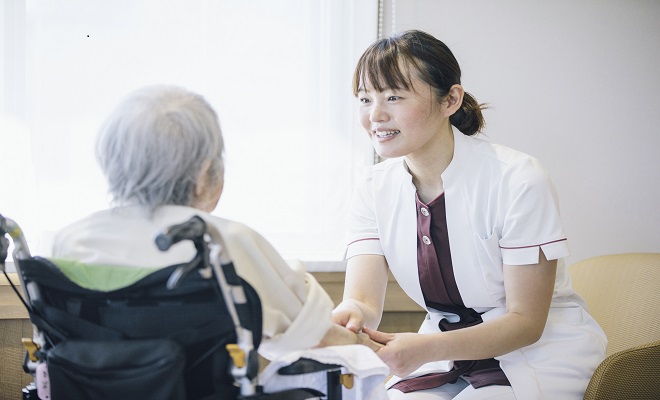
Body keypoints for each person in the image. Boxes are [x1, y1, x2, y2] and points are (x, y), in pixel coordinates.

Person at [331, 30, 607, 400]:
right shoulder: (372, 188)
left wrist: (426, 349)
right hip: (442, 350)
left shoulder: (518, 178)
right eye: (365, 99)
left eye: (394, 96)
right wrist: (346, 317)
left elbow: (527, 322)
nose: (375, 115)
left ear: (451, 100)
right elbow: (363, 301)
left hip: (538, 350)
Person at [52, 85, 375, 361]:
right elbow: (308, 334)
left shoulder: (72, 239)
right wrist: (361, 343)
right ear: (203, 173)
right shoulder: (223, 241)